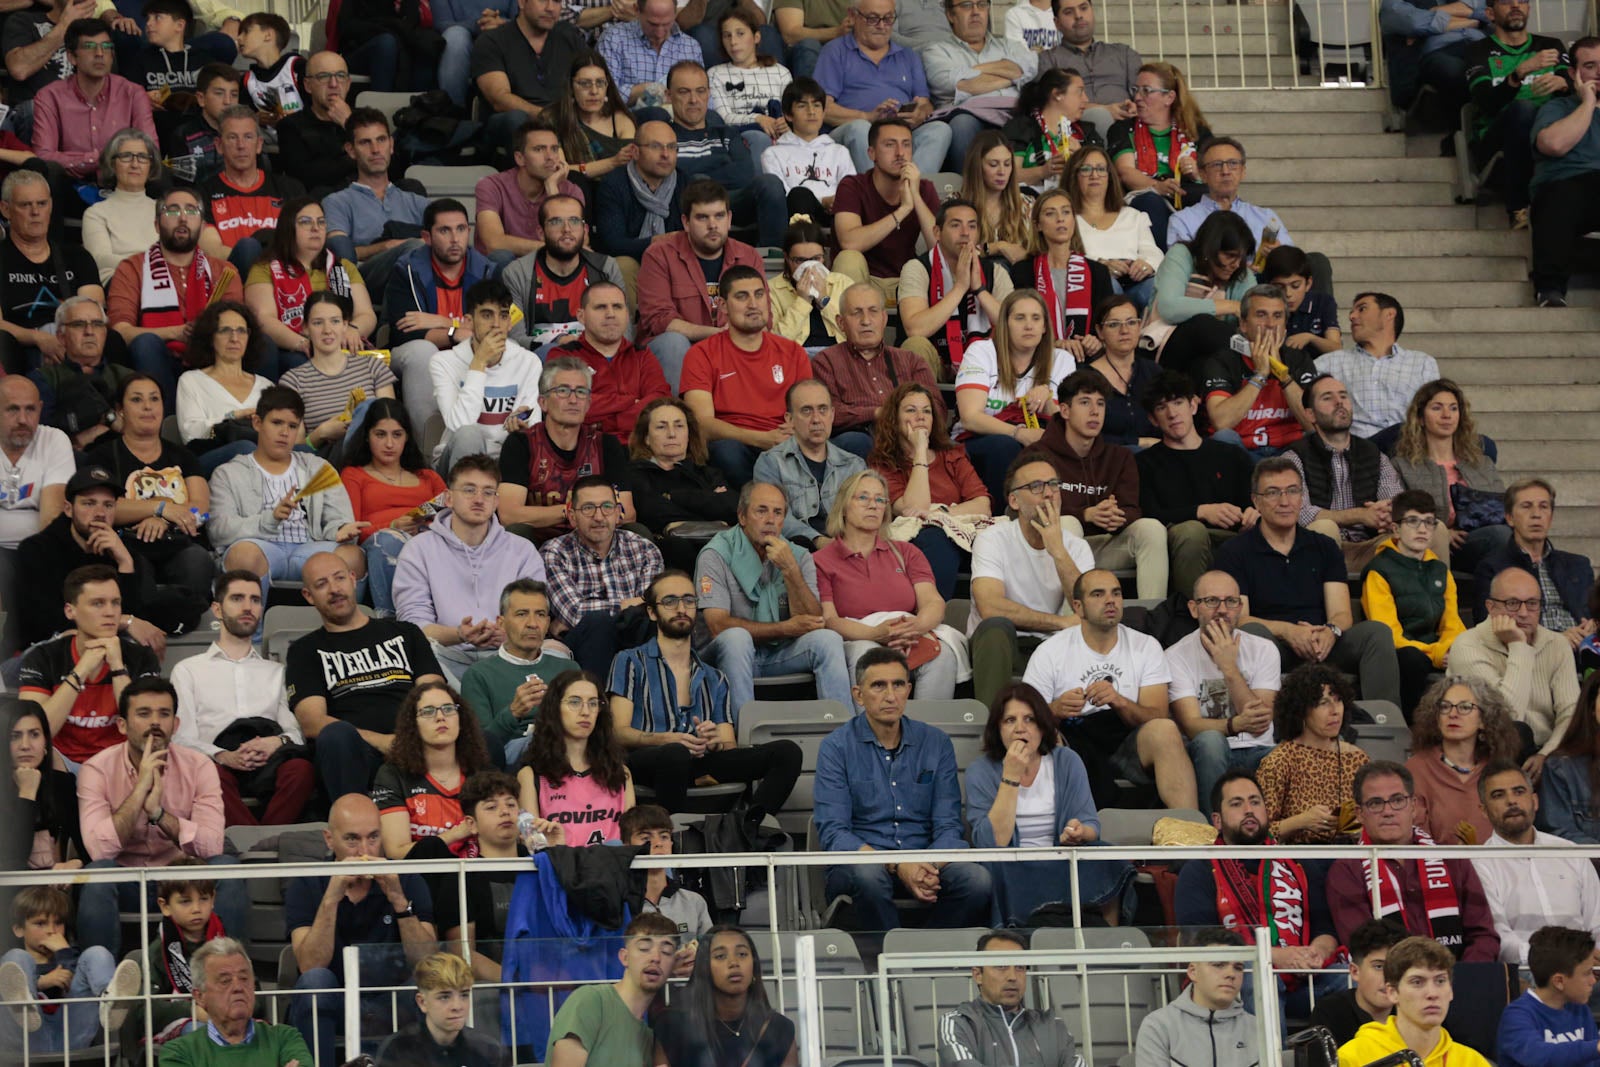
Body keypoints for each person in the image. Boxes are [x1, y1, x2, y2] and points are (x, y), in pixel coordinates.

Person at [814, 648, 993, 936]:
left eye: (898, 684)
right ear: (858, 695)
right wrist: (898, 864)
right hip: (862, 863)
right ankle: (891, 952)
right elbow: (834, 833)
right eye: (878, 685)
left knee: (977, 880)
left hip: (925, 859)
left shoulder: (935, 743)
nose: (890, 696)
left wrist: (923, 866)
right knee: (869, 876)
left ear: (908, 690)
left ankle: (925, 949)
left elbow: (948, 827)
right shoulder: (836, 747)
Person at [75, 677, 248, 955]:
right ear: (122, 725)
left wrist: (158, 813)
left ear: (175, 725)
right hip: (127, 883)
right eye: (144, 714)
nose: (155, 722)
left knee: (225, 866)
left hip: (183, 882)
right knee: (97, 875)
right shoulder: (96, 770)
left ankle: (225, 969)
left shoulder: (199, 766)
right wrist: (139, 791)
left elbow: (211, 846)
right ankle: (99, 976)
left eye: (164, 714)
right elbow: (99, 850)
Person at [610, 570, 803, 815]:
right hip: (647, 760)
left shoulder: (715, 677)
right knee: (675, 753)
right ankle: (671, 832)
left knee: (787, 753)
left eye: (689, 600)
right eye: (670, 601)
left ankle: (746, 828)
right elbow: (618, 733)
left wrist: (714, 743)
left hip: (698, 761)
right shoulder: (629, 661)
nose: (681, 608)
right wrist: (665, 739)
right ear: (652, 612)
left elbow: (728, 744)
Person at [1217, 456, 1403, 705]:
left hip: (1321, 644)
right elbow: (1240, 618)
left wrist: (1330, 632)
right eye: (1272, 493)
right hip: (1273, 646)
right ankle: (1258, 719)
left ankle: (1383, 721)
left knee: (1376, 633)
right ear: (1256, 501)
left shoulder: (1324, 546)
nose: (1285, 501)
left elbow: (1341, 613)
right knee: (1250, 633)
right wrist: (1288, 631)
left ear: (1302, 497)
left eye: (1292, 491)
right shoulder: (1235, 552)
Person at [284, 793, 438, 1067]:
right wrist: (332, 898)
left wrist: (398, 900)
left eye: (373, 837)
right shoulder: (307, 882)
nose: (365, 850)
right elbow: (309, 965)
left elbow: (427, 963)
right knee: (315, 981)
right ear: (329, 840)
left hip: (392, 1002)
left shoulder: (407, 878)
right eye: (352, 839)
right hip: (336, 1002)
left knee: (425, 985)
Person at [1022, 568, 1196, 809]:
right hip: (1074, 738)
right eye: (1098, 594)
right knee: (1048, 737)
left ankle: (1188, 825)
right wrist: (1055, 709)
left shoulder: (1146, 646)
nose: (1110, 600)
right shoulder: (1050, 651)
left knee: (1164, 730)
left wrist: (1119, 701)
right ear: (1078, 607)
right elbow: (1025, 718)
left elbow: (1157, 714)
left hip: (1127, 740)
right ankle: (1068, 825)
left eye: (1116, 593)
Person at [1174, 771, 1342, 1015]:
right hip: (1236, 983)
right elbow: (1203, 943)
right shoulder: (1199, 871)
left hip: (1305, 978)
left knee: (1352, 979)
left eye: (1255, 802)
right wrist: (1275, 956)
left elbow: (1325, 929)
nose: (1248, 810)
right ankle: (1271, 1044)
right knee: (1258, 980)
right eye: (1236, 804)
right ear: (1217, 821)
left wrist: (1316, 952)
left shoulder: (1299, 865)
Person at [966, 683, 1133, 927]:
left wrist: (1079, 831)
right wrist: (1011, 776)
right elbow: (991, 843)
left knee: (1105, 856)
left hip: (1061, 858)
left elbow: (1090, 824)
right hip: (1012, 865)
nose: (1020, 728)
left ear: (1043, 726)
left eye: (1029, 719)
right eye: (1010, 720)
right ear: (997, 729)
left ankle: (1105, 939)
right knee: (999, 866)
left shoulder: (1066, 760)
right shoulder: (980, 771)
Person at [286, 551, 447, 798]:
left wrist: (412, 740)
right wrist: (381, 741)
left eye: (339, 578)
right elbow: (312, 722)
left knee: (483, 739)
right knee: (335, 736)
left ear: (353, 579)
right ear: (309, 596)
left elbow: (435, 694)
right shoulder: (304, 650)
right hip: (357, 754)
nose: (334, 589)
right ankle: (353, 817)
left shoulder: (406, 632)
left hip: (418, 742)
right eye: (321, 584)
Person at [170, 570, 314, 827]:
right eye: (237, 598)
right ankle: (262, 841)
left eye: (255, 600)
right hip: (216, 762)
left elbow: (295, 732)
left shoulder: (277, 671)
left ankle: (258, 841)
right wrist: (222, 755)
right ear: (217, 609)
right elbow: (181, 738)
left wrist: (276, 741)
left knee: (301, 770)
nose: (248, 607)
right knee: (206, 775)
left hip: (269, 760)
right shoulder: (188, 670)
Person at [694, 480, 852, 710]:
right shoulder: (716, 554)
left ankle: (840, 727)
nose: (770, 520)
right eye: (761, 511)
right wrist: (785, 628)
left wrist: (791, 571)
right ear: (742, 516)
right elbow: (718, 626)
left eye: (778, 513)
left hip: (779, 654)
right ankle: (745, 731)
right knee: (737, 638)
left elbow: (813, 622)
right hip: (726, 655)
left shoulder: (797, 556)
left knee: (828, 640)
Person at [208, 387, 367, 608]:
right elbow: (218, 530)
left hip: (310, 547)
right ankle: (251, 630)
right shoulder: (228, 473)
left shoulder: (318, 468)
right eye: (277, 423)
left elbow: (338, 519)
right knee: (244, 555)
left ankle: (348, 630)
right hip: (260, 548)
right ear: (257, 423)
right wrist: (269, 520)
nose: (285, 432)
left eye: (292, 426)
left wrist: (339, 530)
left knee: (352, 556)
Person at [393, 454, 547, 682]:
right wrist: (460, 634)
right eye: (469, 490)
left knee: (557, 655)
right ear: (448, 498)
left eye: (488, 492)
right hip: (444, 656)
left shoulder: (522, 550)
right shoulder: (418, 549)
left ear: (496, 502)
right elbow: (414, 625)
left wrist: (508, 635)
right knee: (414, 657)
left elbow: (536, 614)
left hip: (508, 655)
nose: (479, 499)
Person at [1326, 761, 1501, 960]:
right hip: (1390, 978)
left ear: (1413, 806)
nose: (1388, 811)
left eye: (1397, 800)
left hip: (1459, 975)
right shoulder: (1346, 871)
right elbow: (1363, 949)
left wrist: (1460, 977)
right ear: (1360, 814)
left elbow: (1482, 936)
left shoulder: (1453, 859)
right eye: (1375, 803)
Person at [814, 469, 957, 699]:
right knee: (867, 653)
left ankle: (927, 723)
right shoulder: (821, 561)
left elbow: (933, 602)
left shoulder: (907, 552)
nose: (873, 505)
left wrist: (915, 627)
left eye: (880, 499)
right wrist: (876, 633)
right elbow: (829, 620)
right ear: (843, 506)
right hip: (857, 639)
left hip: (906, 634)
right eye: (863, 497)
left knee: (942, 654)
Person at [968, 452, 1095, 707]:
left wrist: (1058, 551)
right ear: (1014, 501)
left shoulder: (1076, 547)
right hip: (1001, 644)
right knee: (996, 627)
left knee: (1091, 636)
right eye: (1036, 486)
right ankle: (993, 726)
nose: (1048, 493)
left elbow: (1089, 609)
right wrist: (1059, 622)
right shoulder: (992, 539)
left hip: (1050, 646)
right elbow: (990, 607)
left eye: (1053, 485)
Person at [1036, 369, 1168, 598]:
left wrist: (1116, 516)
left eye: (1100, 403)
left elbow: (1132, 510)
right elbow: (1033, 510)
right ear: (1065, 410)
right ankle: (1071, 615)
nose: (1095, 411)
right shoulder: (1038, 455)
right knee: (1067, 524)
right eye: (1085, 402)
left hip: (1102, 546)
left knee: (1152, 529)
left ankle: (1152, 614)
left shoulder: (1119, 457)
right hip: (1049, 550)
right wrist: (1085, 515)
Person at [679, 266, 814, 487]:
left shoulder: (793, 352)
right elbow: (702, 424)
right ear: (723, 305)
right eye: (742, 296)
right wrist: (761, 439)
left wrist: (793, 431)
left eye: (759, 295)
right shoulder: (701, 354)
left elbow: (808, 408)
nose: (753, 304)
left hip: (785, 442)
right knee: (726, 451)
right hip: (735, 445)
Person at [17, 564, 162, 766]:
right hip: (62, 765)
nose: (110, 612)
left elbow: (145, 732)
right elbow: (37, 733)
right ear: (70, 611)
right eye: (98, 604)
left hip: (119, 765)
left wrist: (118, 668)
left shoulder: (141, 657)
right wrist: (81, 671)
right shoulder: (42, 657)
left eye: (115, 603)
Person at [1448, 567, 1581, 781]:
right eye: (1512, 603)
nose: (1523, 613)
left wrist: (1548, 754)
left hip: (1548, 751)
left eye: (1532, 603)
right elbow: (1507, 718)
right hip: (1488, 752)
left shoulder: (1557, 644)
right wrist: (1518, 646)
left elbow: (1571, 712)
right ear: (1490, 607)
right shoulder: (1468, 645)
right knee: (1519, 731)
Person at [635, 180, 769, 395]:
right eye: (702, 217)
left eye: (719, 216)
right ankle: (679, 414)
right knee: (673, 343)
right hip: (681, 349)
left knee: (770, 342)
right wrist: (718, 334)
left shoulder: (748, 256)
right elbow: (659, 320)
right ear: (686, 222)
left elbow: (762, 316)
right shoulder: (659, 255)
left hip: (732, 347)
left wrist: (731, 337)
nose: (713, 225)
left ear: (729, 219)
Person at [1136, 371, 1257, 598]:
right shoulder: (1144, 463)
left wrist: (1253, 513)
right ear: (1153, 419)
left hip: (1233, 539)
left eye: (1178, 403)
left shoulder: (1232, 455)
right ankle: (1190, 613)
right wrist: (1200, 511)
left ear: (1193, 405)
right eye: (1162, 407)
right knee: (1192, 531)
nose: (1172, 413)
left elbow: (1253, 500)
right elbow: (1148, 514)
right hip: (1179, 543)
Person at [382, 202, 498, 439]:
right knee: (421, 350)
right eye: (445, 230)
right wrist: (455, 333)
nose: (455, 239)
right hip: (416, 356)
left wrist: (442, 321)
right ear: (427, 237)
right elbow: (406, 332)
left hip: (468, 353)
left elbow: (492, 328)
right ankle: (429, 444)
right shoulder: (407, 270)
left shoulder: (486, 270)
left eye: (461, 229)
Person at [1168, 571, 1279, 815]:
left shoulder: (1264, 649)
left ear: (1240, 608)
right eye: (1211, 601)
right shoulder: (1175, 656)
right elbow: (1192, 726)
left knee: (1285, 756)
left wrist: (1229, 668)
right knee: (1210, 740)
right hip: (1209, 754)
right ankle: (1213, 832)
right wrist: (1234, 724)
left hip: (1259, 749)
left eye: (1230, 601)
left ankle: (1274, 834)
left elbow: (1260, 724)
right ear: (1193, 608)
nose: (1222, 610)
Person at [494, 355, 636, 543]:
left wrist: (579, 514)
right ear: (543, 402)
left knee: (636, 531)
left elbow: (626, 512)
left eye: (581, 392)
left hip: (593, 541)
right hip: (537, 545)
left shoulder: (606, 445)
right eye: (563, 391)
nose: (573, 399)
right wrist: (573, 510)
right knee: (518, 531)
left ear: (588, 403)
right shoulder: (521, 443)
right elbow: (509, 515)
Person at [866, 381, 988, 599]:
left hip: (960, 535)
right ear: (894, 418)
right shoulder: (883, 463)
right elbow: (912, 508)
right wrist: (920, 450)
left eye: (927, 411)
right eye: (911, 410)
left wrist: (939, 515)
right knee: (934, 537)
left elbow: (982, 504)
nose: (920, 417)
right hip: (917, 542)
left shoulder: (951, 455)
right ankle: (931, 610)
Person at [1474, 761, 1600, 965]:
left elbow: (1597, 920)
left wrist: (1591, 957)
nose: (1511, 801)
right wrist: (1558, 959)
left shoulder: (1569, 851)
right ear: (1483, 811)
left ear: (1534, 801)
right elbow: (1500, 937)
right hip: (1527, 971)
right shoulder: (1480, 864)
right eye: (1498, 795)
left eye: (1518, 791)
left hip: (1586, 970)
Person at [951, 291, 1071, 504]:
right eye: (1020, 318)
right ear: (1005, 324)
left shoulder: (1062, 359)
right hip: (977, 441)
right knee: (1004, 445)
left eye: (1036, 318)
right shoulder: (981, 351)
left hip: (1034, 438)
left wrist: (1048, 401)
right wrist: (1019, 433)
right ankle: (1003, 515)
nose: (1029, 325)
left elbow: (1067, 425)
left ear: (1045, 326)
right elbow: (970, 418)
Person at [1463, 0, 1569, 231]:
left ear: (1529, 9)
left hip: (1548, 129)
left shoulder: (1550, 45)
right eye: (1505, 2)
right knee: (1523, 109)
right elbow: (1486, 102)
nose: (1515, 6)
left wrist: (1563, 83)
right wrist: (1519, 73)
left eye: (1522, 1)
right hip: (1495, 135)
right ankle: (1518, 207)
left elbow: (1576, 86)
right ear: (1490, 13)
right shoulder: (1477, 51)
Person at [244, 196, 377, 379]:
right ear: (288, 228)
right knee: (303, 364)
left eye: (321, 222)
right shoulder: (264, 268)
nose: (316, 228)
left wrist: (353, 329)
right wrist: (303, 343)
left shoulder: (342, 267)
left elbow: (367, 314)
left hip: (339, 345)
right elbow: (263, 319)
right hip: (292, 348)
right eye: (306, 222)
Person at [1361, 490, 1468, 716]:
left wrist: (1450, 648)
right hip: (1401, 654)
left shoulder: (1440, 570)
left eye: (1429, 522)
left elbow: (1452, 622)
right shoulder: (1379, 570)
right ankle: (1411, 724)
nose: (1422, 529)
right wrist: (1436, 653)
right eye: (1413, 521)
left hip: (1435, 651)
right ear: (1396, 529)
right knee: (1412, 659)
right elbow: (1388, 635)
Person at [813, 0, 951, 175]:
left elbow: (924, 103)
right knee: (859, 128)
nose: (881, 26)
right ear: (853, 16)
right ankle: (876, 191)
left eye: (888, 18)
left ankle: (912, 187)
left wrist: (919, 114)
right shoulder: (835, 51)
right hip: (856, 133)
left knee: (940, 130)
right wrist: (867, 117)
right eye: (872, 18)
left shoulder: (908, 55)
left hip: (901, 133)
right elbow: (822, 108)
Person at [339, 400, 448, 619]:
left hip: (427, 541)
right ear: (367, 436)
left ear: (407, 437)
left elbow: (450, 513)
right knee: (387, 540)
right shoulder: (354, 475)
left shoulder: (428, 477)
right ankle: (390, 622)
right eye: (380, 435)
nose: (389, 444)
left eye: (397, 435)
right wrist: (392, 525)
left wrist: (422, 521)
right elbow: (352, 530)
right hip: (379, 544)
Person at [661, 60, 788, 248]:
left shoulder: (727, 134)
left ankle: (771, 258)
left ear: (708, 93)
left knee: (770, 183)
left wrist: (696, 172)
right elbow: (674, 177)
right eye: (684, 92)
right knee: (697, 183)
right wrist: (720, 164)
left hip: (733, 202)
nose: (694, 99)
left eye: (700, 91)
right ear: (668, 96)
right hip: (687, 210)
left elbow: (744, 175)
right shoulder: (663, 136)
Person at [542, 476, 661, 674]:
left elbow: (652, 611)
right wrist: (630, 605)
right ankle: (599, 694)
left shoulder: (645, 549)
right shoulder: (554, 553)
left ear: (618, 512)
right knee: (598, 622)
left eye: (607, 507)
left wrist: (640, 607)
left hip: (635, 639)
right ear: (572, 516)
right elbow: (575, 613)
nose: (598, 517)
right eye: (588, 508)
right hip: (585, 646)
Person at [1390, 379, 1509, 575]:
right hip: (1436, 544)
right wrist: (1442, 532)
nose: (1447, 415)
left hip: (1482, 538)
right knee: (1501, 536)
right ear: (1420, 418)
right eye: (1437, 408)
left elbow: (1503, 507)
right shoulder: (1402, 466)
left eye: (1453, 408)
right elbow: (1400, 515)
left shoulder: (1481, 463)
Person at [428, 278, 545, 472]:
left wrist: (523, 426)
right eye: (487, 315)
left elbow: (533, 423)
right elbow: (459, 426)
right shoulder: (443, 362)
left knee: (524, 442)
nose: (496, 325)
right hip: (457, 458)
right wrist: (479, 363)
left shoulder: (529, 362)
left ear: (510, 323)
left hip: (506, 456)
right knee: (469, 434)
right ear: (469, 322)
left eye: (503, 316)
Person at [0, 887, 136, 1052]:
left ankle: (111, 1001)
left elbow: (74, 983)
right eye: (40, 923)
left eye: (58, 923)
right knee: (15, 958)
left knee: (96, 953)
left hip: (71, 1037)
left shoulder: (70, 958)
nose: (51, 930)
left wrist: (64, 952)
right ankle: (24, 1004)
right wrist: (41, 983)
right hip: (27, 1040)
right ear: (19, 929)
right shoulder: (12, 962)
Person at [1166, 137, 1317, 283]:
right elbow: (1181, 270)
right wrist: (1239, 273)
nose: (1225, 171)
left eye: (1233, 163)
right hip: (1215, 288)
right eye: (1217, 165)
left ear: (1243, 171)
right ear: (1203, 174)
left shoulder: (1266, 217)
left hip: (1267, 288)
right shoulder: (1183, 220)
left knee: (1317, 262)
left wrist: (1279, 253)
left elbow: (1292, 264)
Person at [374, 680, 495, 861]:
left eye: (448, 709)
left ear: (460, 719)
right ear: (413, 724)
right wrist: (456, 833)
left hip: (476, 872)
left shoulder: (482, 772)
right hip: (420, 874)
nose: (440, 717)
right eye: (428, 711)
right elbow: (396, 851)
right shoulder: (393, 775)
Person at [460, 579, 577, 768]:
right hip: (511, 760)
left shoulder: (568, 669)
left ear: (548, 623)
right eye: (522, 614)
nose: (532, 624)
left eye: (540, 614)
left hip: (568, 753)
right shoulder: (478, 675)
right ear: (501, 623)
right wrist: (513, 712)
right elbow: (480, 749)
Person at [0, 171, 108, 374]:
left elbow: (94, 310)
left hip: (72, 339)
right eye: (25, 205)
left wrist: (65, 339)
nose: (35, 212)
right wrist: (37, 338)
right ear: (6, 209)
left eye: (42, 204)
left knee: (110, 338)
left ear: (51, 205)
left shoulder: (77, 256)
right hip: (21, 347)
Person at [431, 770, 535, 980]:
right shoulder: (460, 877)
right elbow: (463, 953)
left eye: (511, 804)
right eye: (491, 807)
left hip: (549, 981)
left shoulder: (541, 866)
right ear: (472, 824)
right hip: (488, 988)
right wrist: (518, 984)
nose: (505, 812)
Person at [897, 198, 1013, 383]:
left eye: (972, 226)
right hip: (936, 363)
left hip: (983, 364)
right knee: (915, 345)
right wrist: (959, 287)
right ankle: (922, 402)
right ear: (937, 232)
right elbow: (915, 329)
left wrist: (979, 290)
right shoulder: (918, 267)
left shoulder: (994, 271)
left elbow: (1013, 326)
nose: (965, 233)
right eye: (956, 225)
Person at [814, 284, 939, 454]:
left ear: (884, 318)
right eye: (856, 313)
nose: (866, 321)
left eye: (873, 311)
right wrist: (877, 413)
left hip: (908, 435)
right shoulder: (826, 362)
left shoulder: (911, 361)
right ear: (841, 323)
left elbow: (936, 407)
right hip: (859, 443)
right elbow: (826, 413)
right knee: (856, 442)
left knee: (955, 450)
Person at [652, 923, 797, 1067]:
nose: (734, 963)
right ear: (705, 968)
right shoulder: (673, 1027)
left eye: (742, 954)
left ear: (754, 965)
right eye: (720, 956)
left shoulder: (780, 1029)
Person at [517, 669, 636, 844]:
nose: (586, 711)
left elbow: (631, 842)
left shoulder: (620, 773)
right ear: (555, 708)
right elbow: (534, 844)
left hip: (613, 860)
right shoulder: (531, 776)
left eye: (593, 703)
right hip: (560, 860)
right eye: (574, 702)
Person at [1471, 478, 1595, 647]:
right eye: (1526, 506)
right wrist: (1556, 640)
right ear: (1509, 518)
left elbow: (1593, 613)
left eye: (1543, 507)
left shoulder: (1578, 565)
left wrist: (1593, 625)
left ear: (1551, 517)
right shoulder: (1492, 568)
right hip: (1531, 652)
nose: (1536, 514)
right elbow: (1488, 628)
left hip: (1584, 648)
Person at [1335, 935, 1493, 1067]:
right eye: (1417, 982)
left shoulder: (1472, 1062)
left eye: (1440, 981)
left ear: (1451, 991)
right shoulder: (1354, 1058)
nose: (1432, 993)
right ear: (1392, 992)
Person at [1255, 663, 1371, 844]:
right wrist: (1301, 822)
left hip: (1350, 854)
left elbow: (1375, 816)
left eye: (1338, 700)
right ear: (1301, 711)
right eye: (1323, 703)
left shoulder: (1357, 759)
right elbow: (1257, 834)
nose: (1335, 711)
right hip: (1299, 856)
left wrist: (1359, 829)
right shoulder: (1279, 761)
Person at [155, 937, 314, 1067]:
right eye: (225, 981)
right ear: (200, 997)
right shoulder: (179, 1052)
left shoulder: (285, 1038)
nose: (238, 987)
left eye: (244, 978)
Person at [831, 117, 941, 303]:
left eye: (906, 145)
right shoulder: (852, 186)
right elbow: (849, 242)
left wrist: (915, 196)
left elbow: (940, 250)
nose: (900, 153)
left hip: (906, 282)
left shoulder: (924, 189)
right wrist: (903, 210)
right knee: (849, 258)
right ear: (872, 153)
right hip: (863, 280)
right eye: (890, 145)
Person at [1200, 283, 1316, 458]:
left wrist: (1282, 375)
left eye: (1277, 316)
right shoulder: (1222, 361)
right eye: (1261, 315)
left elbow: (1314, 424)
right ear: (1243, 324)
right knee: (1224, 437)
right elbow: (1221, 423)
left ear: (1285, 324)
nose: (1270, 324)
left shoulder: (1299, 359)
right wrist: (1260, 375)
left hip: (1290, 454)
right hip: (1243, 454)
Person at [546, 913, 678, 1067]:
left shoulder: (649, 1038)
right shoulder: (590, 1001)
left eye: (666, 951)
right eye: (644, 948)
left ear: (673, 964)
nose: (656, 957)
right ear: (624, 957)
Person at [937, 930, 1084, 1067]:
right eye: (1001, 966)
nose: (1013, 977)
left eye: (1020, 967)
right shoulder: (958, 1024)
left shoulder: (1052, 1026)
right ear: (978, 975)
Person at [31, 19, 156, 181]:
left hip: (123, 180)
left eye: (106, 46)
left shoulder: (133, 93)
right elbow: (44, 156)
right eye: (89, 47)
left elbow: (150, 150)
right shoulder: (49, 96)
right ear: (72, 57)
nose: (99, 53)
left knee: (159, 178)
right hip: (69, 182)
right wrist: (101, 159)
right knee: (50, 173)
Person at [321, 110, 428, 297]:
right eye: (365, 142)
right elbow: (340, 254)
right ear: (351, 150)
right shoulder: (336, 202)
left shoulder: (417, 202)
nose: (376, 149)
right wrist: (385, 247)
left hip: (414, 278)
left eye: (381, 140)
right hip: (363, 280)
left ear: (391, 145)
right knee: (413, 249)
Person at [500, 197, 627, 354]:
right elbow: (515, 339)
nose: (567, 229)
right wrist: (557, 342)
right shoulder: (516, 273)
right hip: (540, 359)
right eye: (556, 222)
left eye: (574, 221)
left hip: (597, 355)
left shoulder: (606, 268)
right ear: (541, 232)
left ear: (585, 230)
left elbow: (623, 331)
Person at [279, 293, 396, 462]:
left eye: (335, 321)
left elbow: (391, 422)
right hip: (326, 461)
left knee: (370, 410)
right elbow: (295, 450)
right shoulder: (293, 381)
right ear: (305, 328)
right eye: (318, 323)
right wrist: (322, 433)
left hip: (376, 454)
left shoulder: (372, 366)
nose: (327, 330)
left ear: (345, 325)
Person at [1106, 61, 1209, 250]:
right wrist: (1156, 186)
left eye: (1146, 91)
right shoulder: (1123, 128)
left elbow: (1214, 170)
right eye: (1136, 90)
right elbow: (1125, 172)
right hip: (1147, 194)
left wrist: (1197, 172)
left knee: (1207, 197)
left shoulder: (1195, 130)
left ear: (1169, 97)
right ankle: (1165, 261)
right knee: (1150, 202)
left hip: (1187, 192)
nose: (1137, 97)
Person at [1406, 676, 1522, 845]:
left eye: (1465, 707)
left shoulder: (1499, 769)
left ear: (1484, 719)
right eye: (1445, 707)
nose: (1453, 714)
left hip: (1496, 860)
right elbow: (1415, 840)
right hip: (1435, 861)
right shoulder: (1417, 769)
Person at [1529, 36, 1600, 308]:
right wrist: (1587, 103)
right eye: (1590, 66)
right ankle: (1550, 288)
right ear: (1573, 74)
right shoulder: (1557, 108)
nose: (1599, 72)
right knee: (1560, 196)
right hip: (1565, 186)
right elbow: (1554, 144)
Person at [1144, 210, 1255, 384]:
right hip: (1164, 346)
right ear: (1210, 249)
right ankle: (1252, 356)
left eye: (1241, 257)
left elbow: (1255, 312)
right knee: (1203, 324)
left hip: (1210, 357)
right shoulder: (1181, 254)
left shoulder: (1242, 273)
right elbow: (1169, 308)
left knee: (1207, 366)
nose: (1236, 264)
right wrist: (1230, 306)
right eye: (1230, 256)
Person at [627, 397, 739, 567]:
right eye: (661, 427)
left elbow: (732, 507)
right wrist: (709, 504)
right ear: (646, 438)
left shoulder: (707, 472)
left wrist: (674, 497)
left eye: (679, 426)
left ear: (688, 435)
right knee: (679, 547)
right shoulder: (636, 473)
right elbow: (653, 513)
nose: (672, 434)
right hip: (670, 553)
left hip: (716, 547)